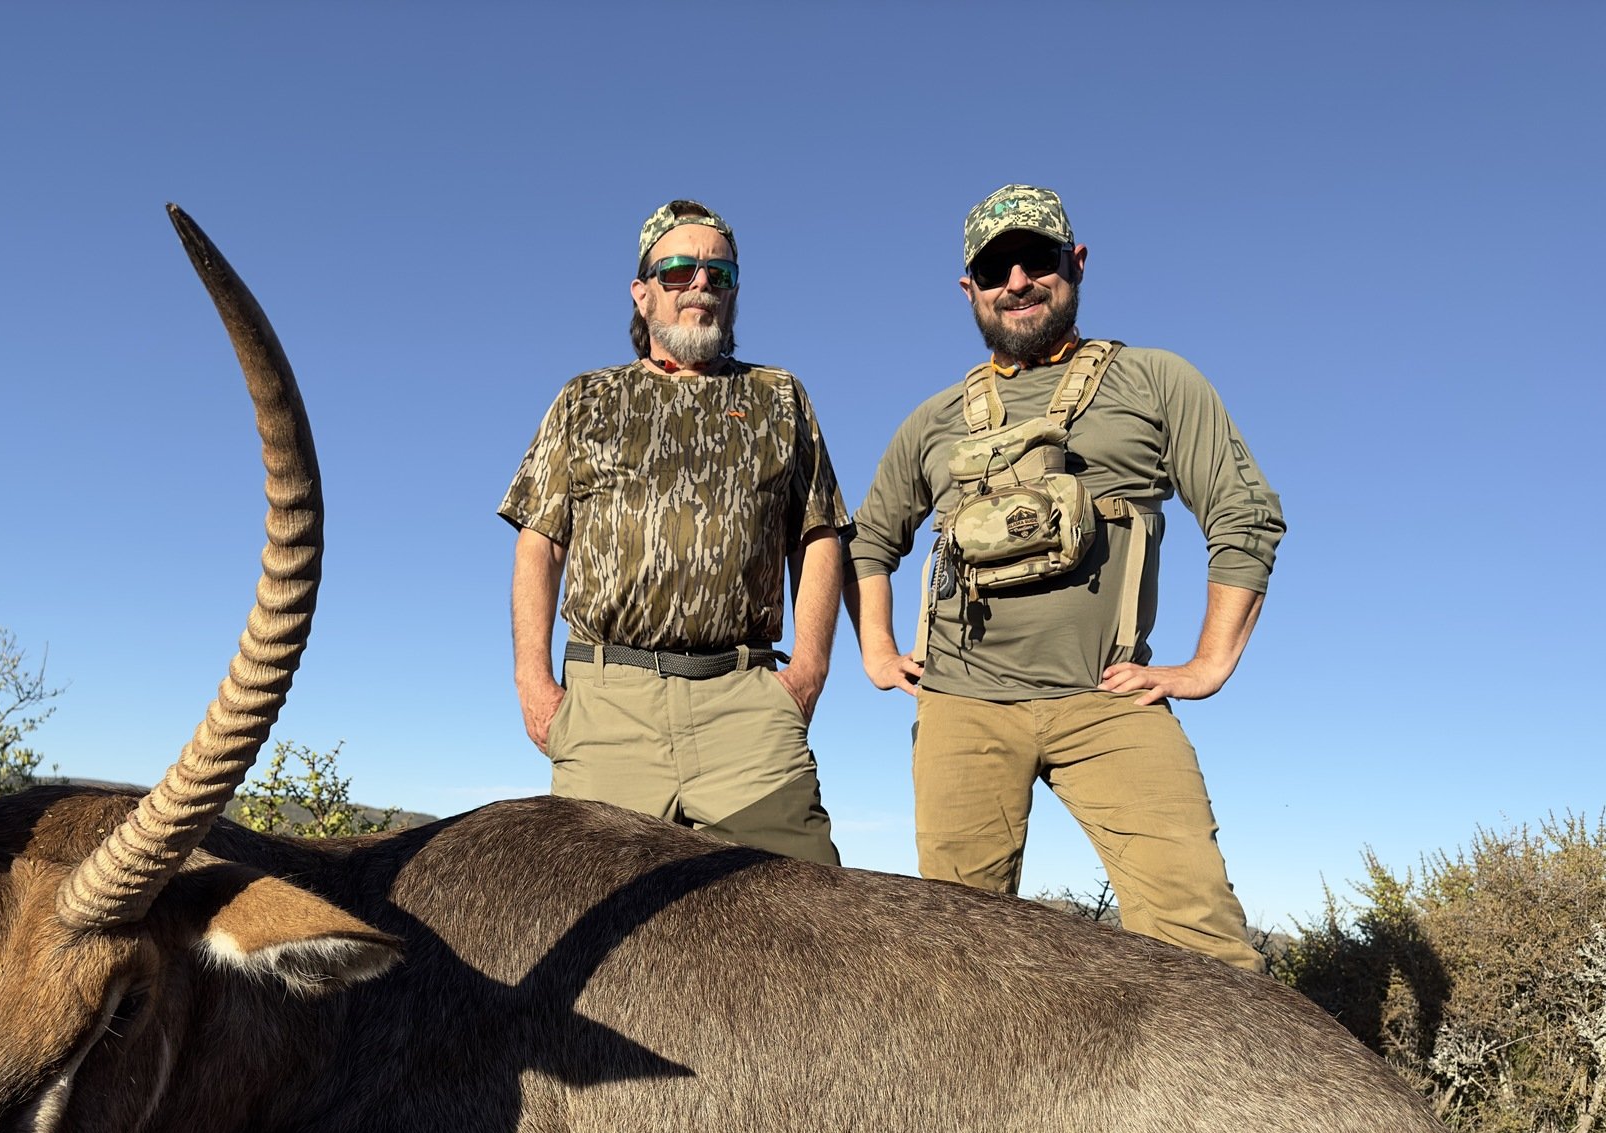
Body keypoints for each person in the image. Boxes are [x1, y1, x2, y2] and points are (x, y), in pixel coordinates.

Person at [845, 185, 1284, 970]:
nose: (1016, 281)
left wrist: (1208, 666)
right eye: (992, 268)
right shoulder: (933, 419)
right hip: (962, 708)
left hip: (1108, 702)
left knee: (1203, 944)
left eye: (1036, 259)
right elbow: (868, 540)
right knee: (956, 960)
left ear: (1073, 263)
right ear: (969, 288)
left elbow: (1244, 514)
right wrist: (876, 652)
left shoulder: (1155, 381)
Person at [499, 200, 847, 866]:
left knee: (811, 921)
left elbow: (819, 534)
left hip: (746, 706)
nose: (701, 287)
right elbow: (540, 541)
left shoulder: (782, 397)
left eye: (720, 274)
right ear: (642, 292)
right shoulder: (585, 399)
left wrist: (808, 672)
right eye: (680, 270)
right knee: (588, 923)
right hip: (609, 705)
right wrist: (532, 684)